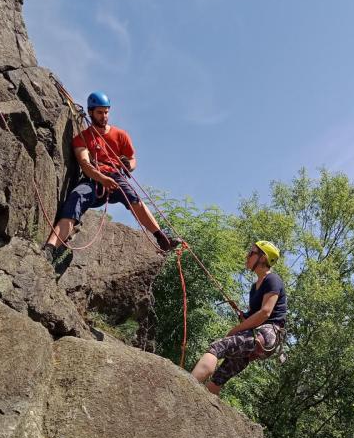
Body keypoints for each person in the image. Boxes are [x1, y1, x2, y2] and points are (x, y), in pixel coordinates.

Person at [42, 90, 180, 261]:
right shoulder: (82, 139)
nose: (104, 116)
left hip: (115, 175)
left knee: (134, 198)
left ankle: (161, 238)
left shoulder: (120, 135)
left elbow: (132, 158)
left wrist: (129, 165)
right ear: (91, 112)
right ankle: (49, 249)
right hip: (94, 178)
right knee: (76, 197)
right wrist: (102, 179)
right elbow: (85, 164)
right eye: (100, 112)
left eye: (106, 112)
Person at [191, 240, 286, 395]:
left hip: (267, 334)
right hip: (258, 336)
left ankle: (184, 388)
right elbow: (254, 316)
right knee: (221, 375)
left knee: (218, 347)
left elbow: (265, 313)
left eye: (251, 253)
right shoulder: (254, 287)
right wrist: (244, 316)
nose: (247, 256)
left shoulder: (272, 279)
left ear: (263, 258)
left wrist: (234, 330)